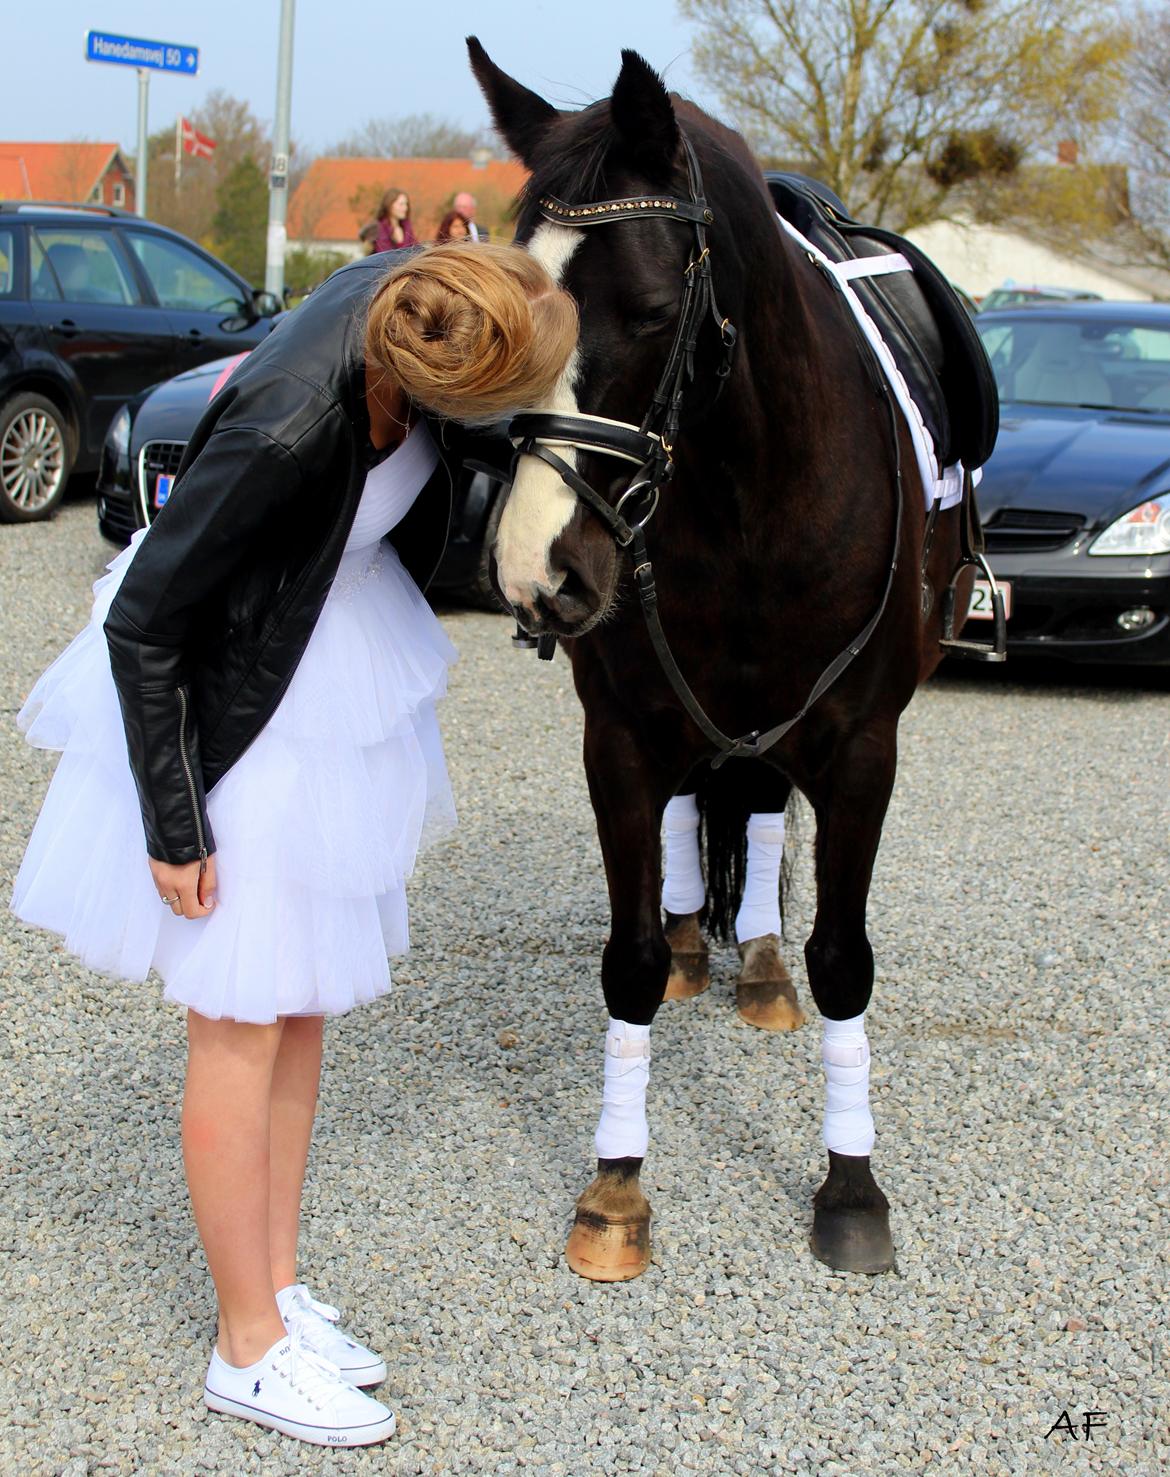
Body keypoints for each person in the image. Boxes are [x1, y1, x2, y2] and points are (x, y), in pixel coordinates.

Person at [11, 243, 577, 1449]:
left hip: (314, 659)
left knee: (300, 1004)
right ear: (445, 380)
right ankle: (245, 1348)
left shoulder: (429, 300)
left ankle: (272, 1290)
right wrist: (177, 821)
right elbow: (147, 620)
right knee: (239, 1017)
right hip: (233, 706)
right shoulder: (287, 426)